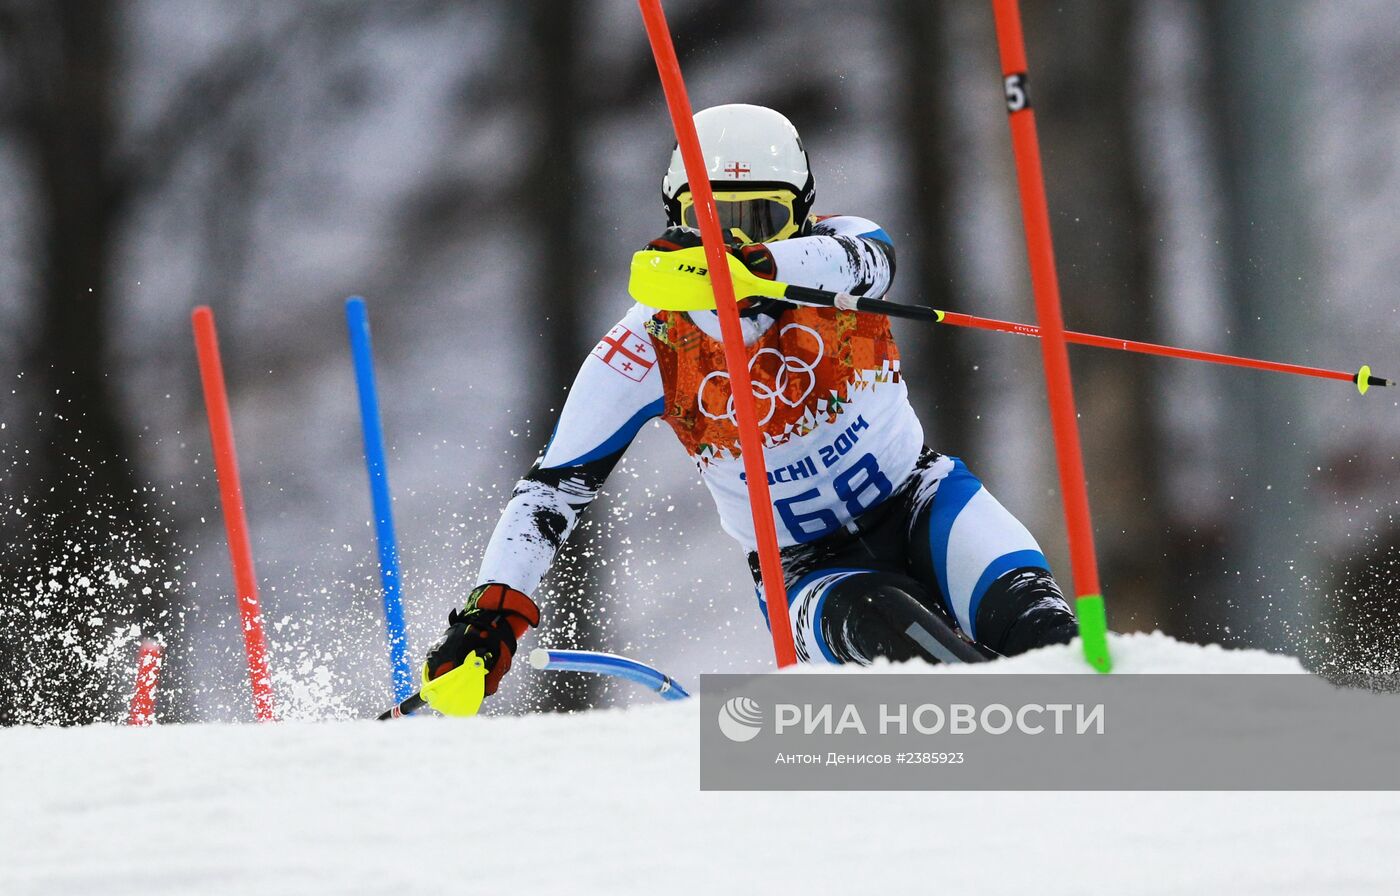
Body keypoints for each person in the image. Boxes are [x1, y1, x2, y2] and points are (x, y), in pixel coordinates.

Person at [422, 103, 1077, 710]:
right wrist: (494, 613)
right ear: (677, 221)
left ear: (803, 215)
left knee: (1044, 635)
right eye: (711, 222)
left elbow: (871, 259)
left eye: (759, 218)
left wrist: (753, 267)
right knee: (891, 625)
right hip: (808, 567)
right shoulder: (651, 340)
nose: (732, 240)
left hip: (924, 502)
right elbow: (550, 492)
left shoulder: (838, 255)